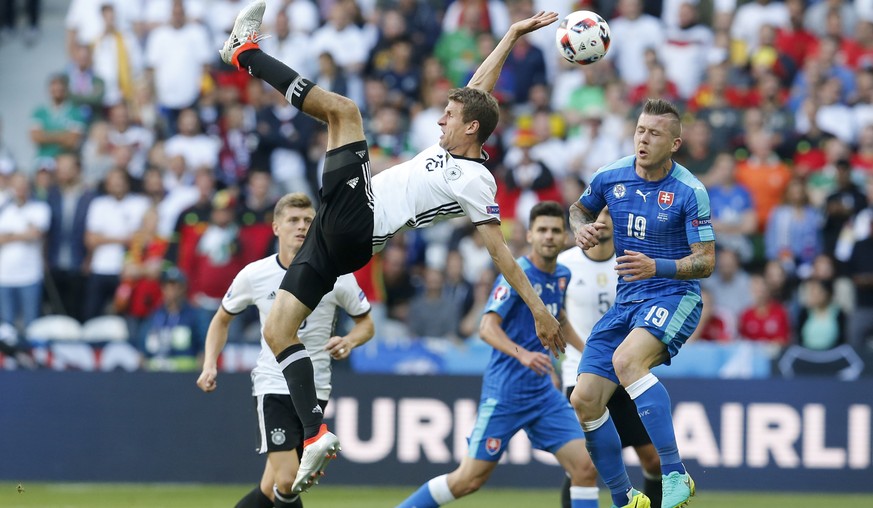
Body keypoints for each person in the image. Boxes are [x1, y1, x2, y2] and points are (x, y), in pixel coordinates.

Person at [217, 0, 563, 492]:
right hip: (338, 239)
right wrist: (510, 35)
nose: (439, 120)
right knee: (277, 332)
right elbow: (477, 91)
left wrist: (538, 310)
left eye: (448, 116)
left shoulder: (475, 180)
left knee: (345, 111)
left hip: (359, 224)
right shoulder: (454, 141)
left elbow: (500, 253)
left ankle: (243, 52)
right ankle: (314, 433)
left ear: (470, 130)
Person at [568, 98, 715, 508]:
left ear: (675, 143)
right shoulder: (610, 176)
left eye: (654, 134)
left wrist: (658, 266)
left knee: (627, 361)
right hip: (627, 301)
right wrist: (582, 230)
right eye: (639, 131)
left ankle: (674, 473)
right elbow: (578, 210)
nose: (643, 140)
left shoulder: (689, 191)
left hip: (674, 294)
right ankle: (625, 497)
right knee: (584, 399)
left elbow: (706, 262)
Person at [396, 201, 591, 508]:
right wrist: (523, 355)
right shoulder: (517, 275)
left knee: (585, 467)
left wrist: (590, 354)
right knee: (468, 480)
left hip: (541, 393)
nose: (549, 236)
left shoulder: (562, 275)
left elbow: (559, 320)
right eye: (542, 230)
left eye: (556, 230)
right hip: (506, 393)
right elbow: (486, 328)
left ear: (565, 237)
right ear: (529, 235)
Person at [196, 193, 374, 508]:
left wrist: (350, 341)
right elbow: (221, 320)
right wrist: (210, 363)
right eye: (293, 220)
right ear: (276, 227)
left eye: (308, 221)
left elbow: (366, 324)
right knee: (289, 480)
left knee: (270, 488)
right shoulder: (255, 274)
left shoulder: (337, 275)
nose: (301, 227)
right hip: (273, 384)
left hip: (316, 389)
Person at [557, 207, 662, 508]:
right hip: (580, 374)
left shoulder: (634, 262)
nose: (601, 221)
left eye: (609, 214)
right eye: (595, 215)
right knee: (584, 466)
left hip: (626, 372)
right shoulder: (566, 264)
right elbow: (552, 318)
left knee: (653, 461)